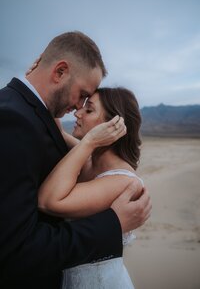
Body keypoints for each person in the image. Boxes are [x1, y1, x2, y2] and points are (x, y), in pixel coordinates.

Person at [0, 31, 151, 289]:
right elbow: (58, 133)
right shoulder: (16, 121)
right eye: (82, 95)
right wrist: (113, 225)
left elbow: (56, 133)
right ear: (59, 72)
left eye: (88, 106)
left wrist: (31, 83)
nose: (78, 109)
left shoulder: (24, 115)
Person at [38, 87, 147, 289]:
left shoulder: (121, 180)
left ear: (112, 125)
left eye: (89, 110)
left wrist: (88, 141)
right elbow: (57, 131)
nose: (77, 113)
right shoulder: (89, 159)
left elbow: (48, 201)